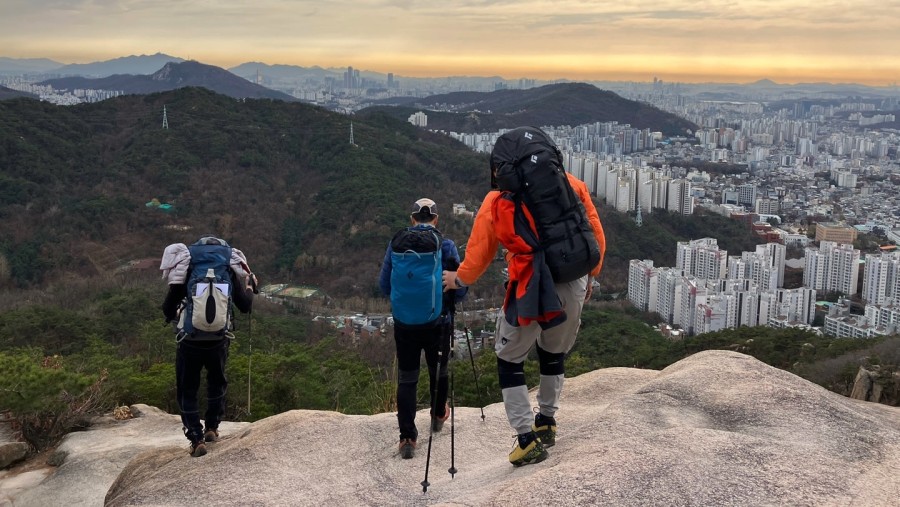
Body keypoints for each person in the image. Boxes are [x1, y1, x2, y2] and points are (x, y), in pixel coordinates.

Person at [442, 161, 606, 467]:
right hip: (574, 280)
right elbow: (594, 232)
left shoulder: (499, 197)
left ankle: (525, 439)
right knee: (553, 351)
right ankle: (546, 421)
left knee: (509, 357)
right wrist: (591, 275)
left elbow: (480, 250)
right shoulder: (571, 184)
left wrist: (458, 279)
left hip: (529, 284)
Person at [379, 198, 466, 459]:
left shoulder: (396, 244)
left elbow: (384, 285)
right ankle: (438, 414)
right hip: (437, 321)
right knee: (438, 370)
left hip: (405, 323)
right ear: (436, 219)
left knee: (407, 377)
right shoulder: (446, 245)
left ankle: (407, 437)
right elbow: (461, 287)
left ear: (412, 219)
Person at [160, 236, 257, 457]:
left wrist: (175, 315)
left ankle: (196, 437)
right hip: (218, 339)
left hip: (190, 340)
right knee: (217, 381)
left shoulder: (187, 265)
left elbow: (168, 307)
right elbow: (244, 306)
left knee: (187, 388)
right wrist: (250, 286)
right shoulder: (229, 268)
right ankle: (212, 427)